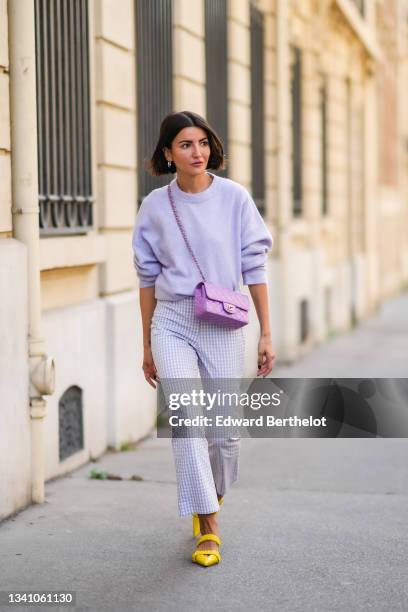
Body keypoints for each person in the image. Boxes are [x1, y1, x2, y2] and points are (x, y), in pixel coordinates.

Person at [132, 110, 276, 567]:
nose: (197, 152)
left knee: (224, 434)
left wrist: (266, 332)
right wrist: (146, 345)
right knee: (187, 421)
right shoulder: (155, 206)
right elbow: (146, 278)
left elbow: (255, 266)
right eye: (185, 145)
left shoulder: (234, 198)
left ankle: (210, 493)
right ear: (168, 154)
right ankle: (208, 525)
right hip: (172, 321)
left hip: (224, 323)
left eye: (203, 143)